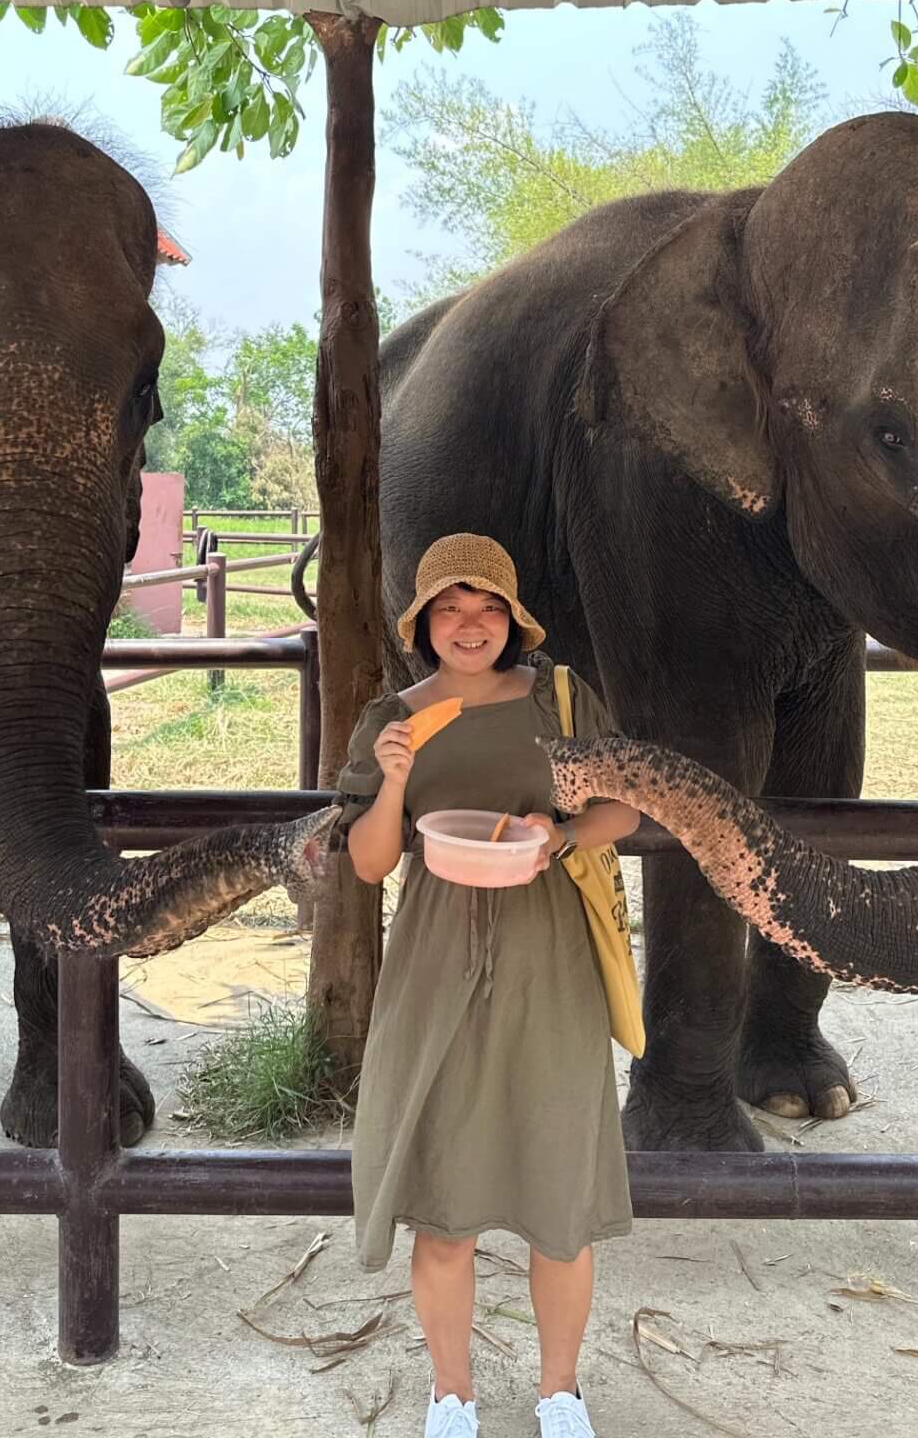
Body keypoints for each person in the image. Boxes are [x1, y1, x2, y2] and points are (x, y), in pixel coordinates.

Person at [336, 533, 642, 1438]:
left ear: (512, 620)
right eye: (449, 610)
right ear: (424, 624)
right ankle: (452, 1395)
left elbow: (622, 804)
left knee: (561, 1200)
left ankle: (560, 1392)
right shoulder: (393, 717)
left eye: (487, 609)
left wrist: (561, 832)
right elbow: (369, 862)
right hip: (433, 968)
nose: (469, 626)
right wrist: (391, 781)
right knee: (444, 1199)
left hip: (551, 963)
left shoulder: (560, 698)